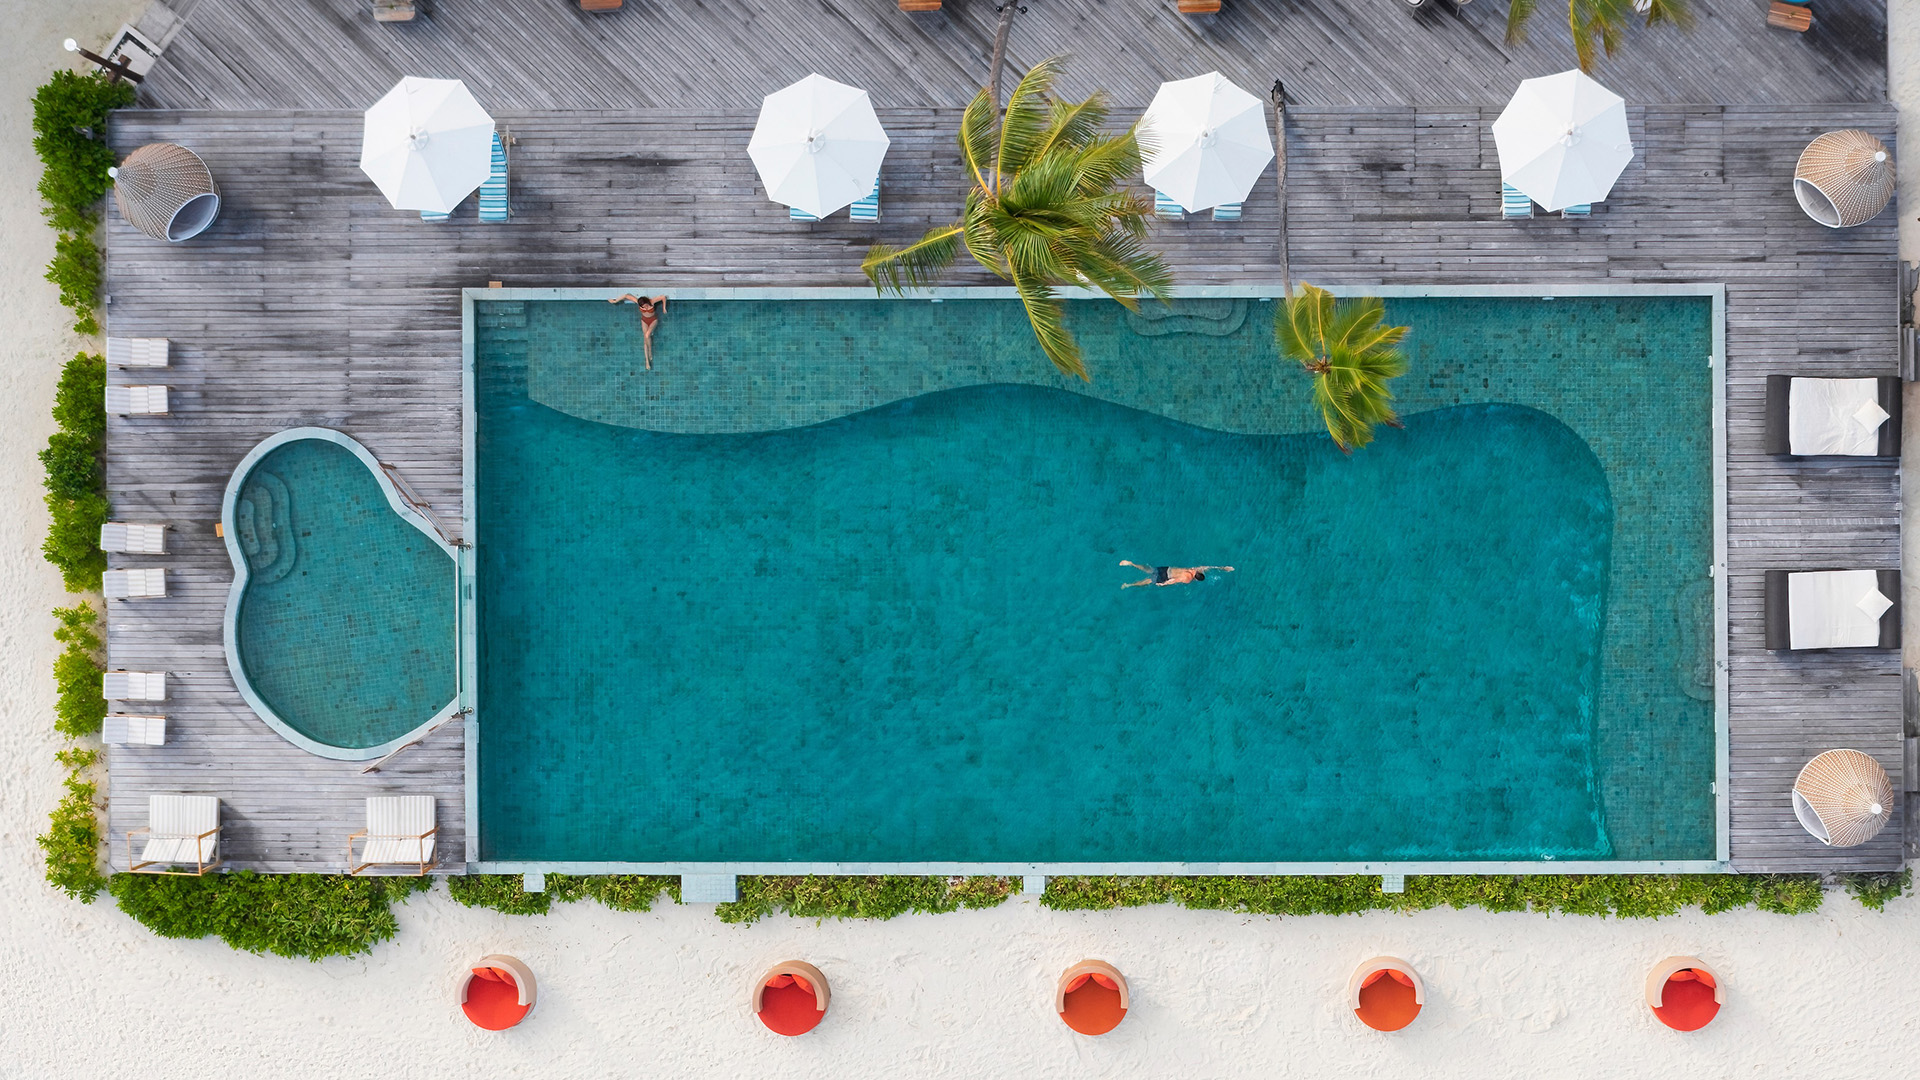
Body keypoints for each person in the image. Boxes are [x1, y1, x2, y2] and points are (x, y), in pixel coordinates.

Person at [609, 293, 667, 370]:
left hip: (653, 320)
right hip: (644, 321)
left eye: (646, 305)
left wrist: (664, 308)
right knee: (645, 339)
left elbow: (663, 297)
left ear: (647, 302)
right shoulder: (638, 302)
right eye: (643, 307)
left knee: (647, 335)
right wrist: (615, 301)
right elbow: (627, 295)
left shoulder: (652, 301)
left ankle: (650, 352)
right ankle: (647, 360)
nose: (645, 307)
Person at [1120, 561, 1234, 588]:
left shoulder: (1195, 569)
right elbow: (1175, 580)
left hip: (1167, 569)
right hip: (1165, 577)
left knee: (1149, 569)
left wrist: (1223, 568)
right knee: (1149, 580)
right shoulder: (1188, 579)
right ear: (1196, 579)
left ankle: (1131, 563)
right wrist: (1163, 584)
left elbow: (1209, 567)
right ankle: (1129, 585)